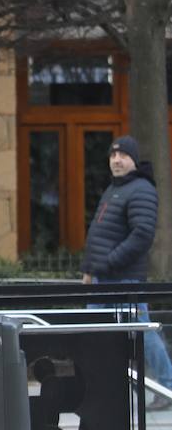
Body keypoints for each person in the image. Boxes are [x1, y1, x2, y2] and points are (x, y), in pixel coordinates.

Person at [82, 134, 172, 408]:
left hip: (124, 279)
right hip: (104, 278)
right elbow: (99, 233)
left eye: (123, 155)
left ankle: (167, 386)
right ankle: (102, 386)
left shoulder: (141, 189)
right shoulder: (115, 189)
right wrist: (89, 269)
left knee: (141, 334)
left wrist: (108, 263)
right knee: (95, 331)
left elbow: (142, 235)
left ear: (134, 160)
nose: (117, 160)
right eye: (113, 155)